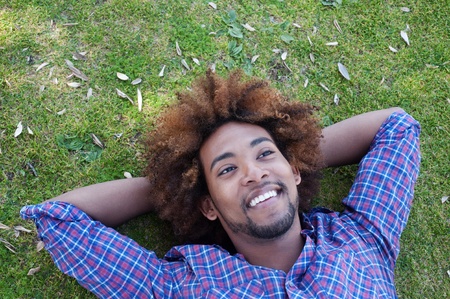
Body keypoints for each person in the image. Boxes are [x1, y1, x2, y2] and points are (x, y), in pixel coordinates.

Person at [21, 70, 421, 298]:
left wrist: (292, 161)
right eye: (226, 170)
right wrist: (173, 189)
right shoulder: (180, 287)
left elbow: (397, 127)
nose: (253, 172)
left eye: (264, 154)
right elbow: (58, 219)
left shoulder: (365, 236)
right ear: (208, 205)